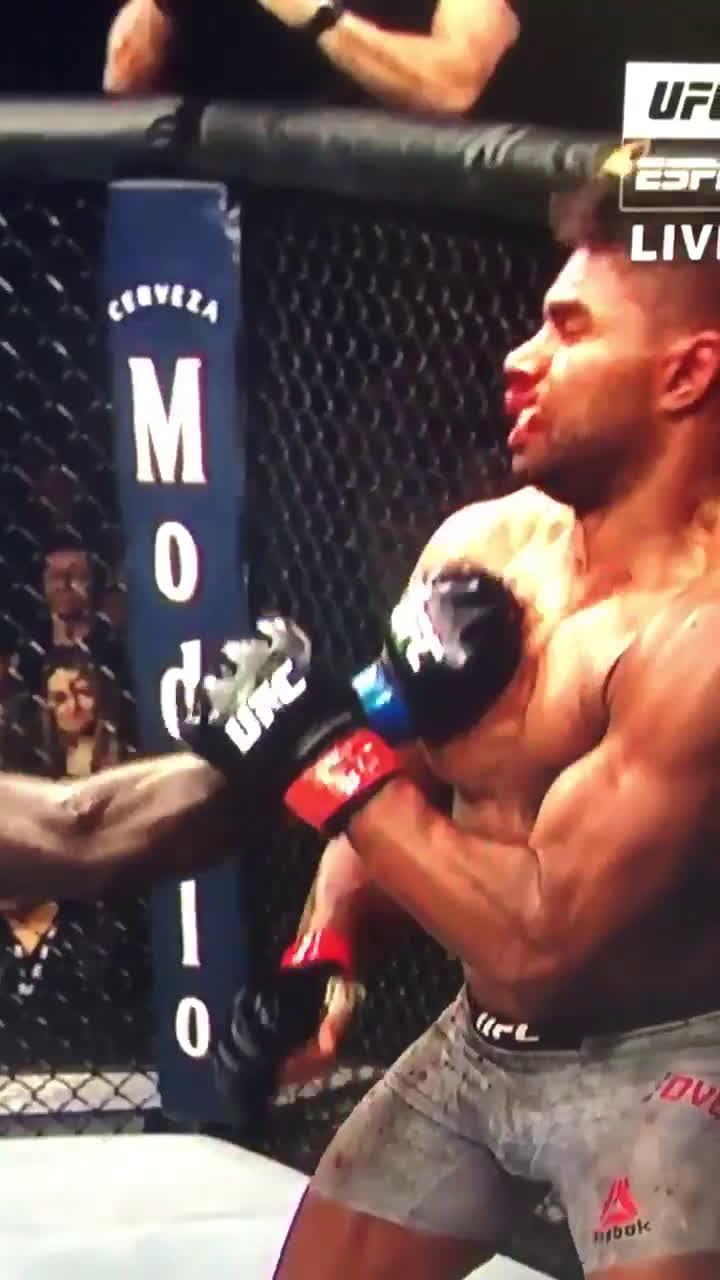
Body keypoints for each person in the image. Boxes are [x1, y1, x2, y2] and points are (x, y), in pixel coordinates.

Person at [185, 169, 720, 1280]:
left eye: (570, 329)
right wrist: (329, 949)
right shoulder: (485, 550)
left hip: (668, 1062)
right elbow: (405, 786)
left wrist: (321, 754)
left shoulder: (698, 635)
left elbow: (536, 946)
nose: (521, 356)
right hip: (479, 1044)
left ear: (687, 372)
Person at [102, 0, 518, 115]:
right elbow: (122, 82)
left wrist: (317, 17)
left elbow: (453, 85)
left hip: (402, 241)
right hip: (234, 227)